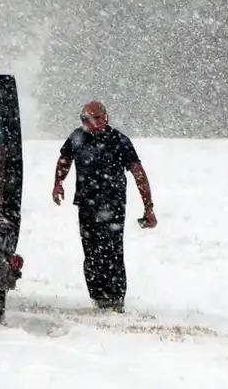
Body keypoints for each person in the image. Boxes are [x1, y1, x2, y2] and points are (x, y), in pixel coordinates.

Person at [52, 101, 157, 312]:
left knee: (113, 251)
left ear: (106, 118)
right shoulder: (77, 137)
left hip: (114, 205)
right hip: (87, 204)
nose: (95, 123)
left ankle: (116, 298)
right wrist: (58, 183)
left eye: (99, 118)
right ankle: (99, 297)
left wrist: (148, 206)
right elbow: (65, 159)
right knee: (91, 252)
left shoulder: (119, 141)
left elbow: (138, 173)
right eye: (89, 120)